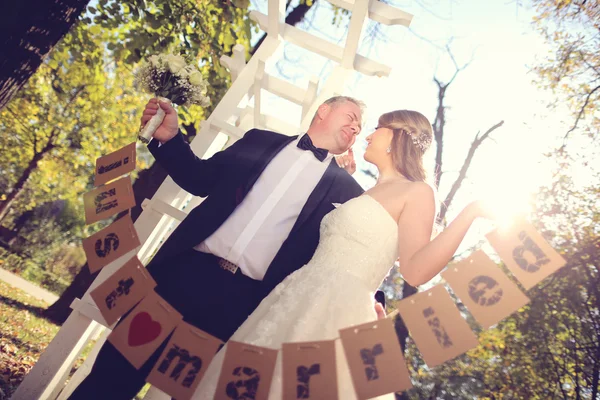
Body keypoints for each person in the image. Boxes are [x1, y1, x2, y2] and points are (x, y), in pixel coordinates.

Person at [69, 96, 387, 400]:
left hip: (240, 306)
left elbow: (351, 249)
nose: (357, 128)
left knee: (187, 392)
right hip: (182, 277)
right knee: (114, 373)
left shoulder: (348, 192)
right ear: (324, 110)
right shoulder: (258, 140)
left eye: (361, 127)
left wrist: (369, 304)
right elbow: (200, 178)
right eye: (352, 117)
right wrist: (170, 139)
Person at [191, 110, 495, 399]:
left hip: (340, 309)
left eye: (377, 128)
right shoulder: (365, 192)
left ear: (397, 136)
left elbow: (415, 270)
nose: (368, 136)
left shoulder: (418, 192)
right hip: (295, 296)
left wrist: (469, 214)